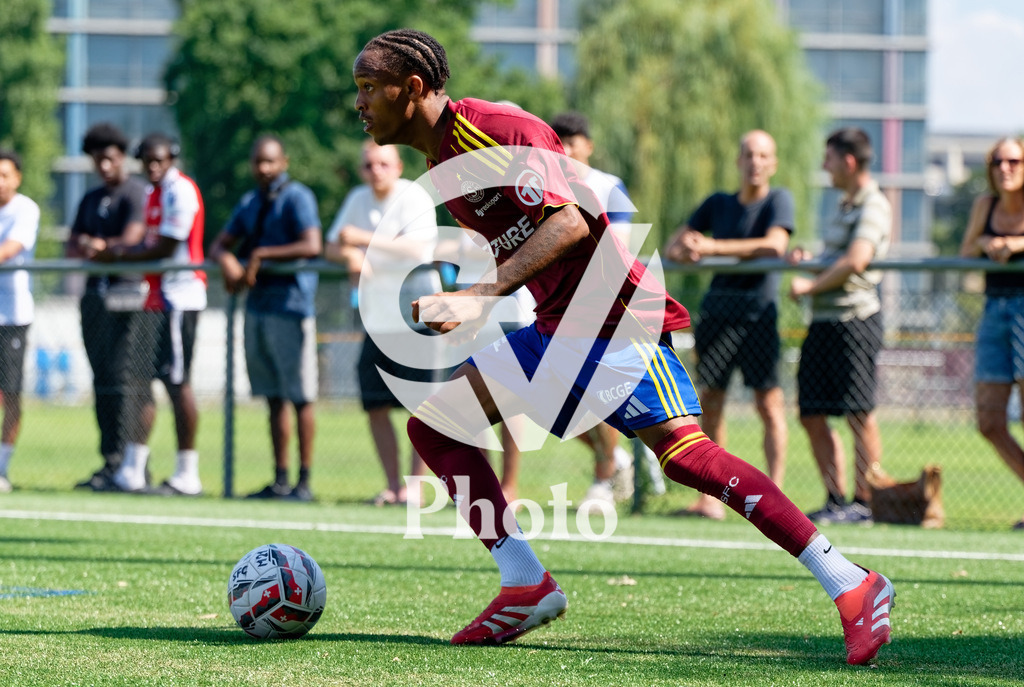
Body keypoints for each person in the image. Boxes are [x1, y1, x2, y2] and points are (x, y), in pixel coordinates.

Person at [352, 29, 894, 665]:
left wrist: (478, 295)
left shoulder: (491, 129)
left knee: (689, 459)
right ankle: (525, 582)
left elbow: (571, 220)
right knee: (438, 427)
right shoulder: (442, 158)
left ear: (411, 88)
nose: (358, 104)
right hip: (557, 329)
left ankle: (853, 584)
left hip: (613, 319)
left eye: (367, 89)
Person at [663, 130, 792, 520]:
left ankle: (776, 497)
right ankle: (713, 500)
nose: (755, 161)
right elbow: (675, 245)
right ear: (738, 161)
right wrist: (686, 249)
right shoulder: (717, 203)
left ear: (773, 163)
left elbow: (776, 245)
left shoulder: (778, 200)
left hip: (758, 315)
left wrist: (713, 249)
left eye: (763, 155)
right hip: (717, 314)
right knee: (711, 403)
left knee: (768, 404)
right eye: (749, 154)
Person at [324, 140, 437, 506]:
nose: (376, 171)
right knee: (374, 403)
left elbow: (417, 250)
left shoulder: (414, 197)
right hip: (377, 320)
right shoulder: (357, 198)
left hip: (417, 316)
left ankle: (415, 487)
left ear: (399, 167)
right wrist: (350, 258)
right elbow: (330, 245)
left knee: (421, 406)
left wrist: (360, 242)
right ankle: (393, 485)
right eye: (369, 165)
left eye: (383, 164)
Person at [789, 127, 892, 526]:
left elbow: (857, 260)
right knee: (811, 412)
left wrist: (809, 285)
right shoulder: (847, 205)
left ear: (849, 162)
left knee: (859, 413)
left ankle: (866, 503)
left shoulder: (874, 204)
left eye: (828, 159)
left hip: (856, 320)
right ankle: (836, 500)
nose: (823, 167)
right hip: (825, 321)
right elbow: (837, 256)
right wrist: (810, 257)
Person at [210, 135, 322, 502]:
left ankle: (303, 483)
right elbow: (219, 244)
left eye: (270, 162)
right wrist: (229, 260)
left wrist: (260, 255)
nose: (263, 168)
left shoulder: (297, 197)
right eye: (258, 161)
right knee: (273, 397)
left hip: (290, 307)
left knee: (300, 396)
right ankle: (280, 479)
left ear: (284, 162)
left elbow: (312, 244)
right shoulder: (249, 201)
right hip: (258, 308)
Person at [94, 133, 206, 496]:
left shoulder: (181, 190)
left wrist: (117, 255)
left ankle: (187, 473)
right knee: (140, 380)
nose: (154, 167)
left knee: (177, 382)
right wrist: (118, 249)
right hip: (154, 296)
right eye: (148, 161)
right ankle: (133, 469)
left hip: (178, 296)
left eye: (160, 160)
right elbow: (145, 241)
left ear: (172, 158)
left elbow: (167, 245)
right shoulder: (151, 192)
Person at [548, 111, 644, 507]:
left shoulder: (608, 187)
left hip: (602, 307)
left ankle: (603, 481)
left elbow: (620, 247)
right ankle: (618, 456)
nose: (567, 149)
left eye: (574, 141)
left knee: (597, 395)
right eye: (559, 141)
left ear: (589, 145)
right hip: (555, 306)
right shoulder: (545, 187)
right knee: (547, 402)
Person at [66, 122, 151, 492]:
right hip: (94, 299)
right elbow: (73, 245)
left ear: (122, 158)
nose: (103, 166)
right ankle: (109, 461)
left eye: (109, 159)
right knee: (102, 381)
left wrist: (100, 246)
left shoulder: (135, 193)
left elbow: (130, 241)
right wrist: (98, 247)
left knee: (125, 380)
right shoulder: (90, 198)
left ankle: (131, 463)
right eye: (97, 160)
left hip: (127, 298)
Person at [958, 136, 1024, 530]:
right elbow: (966, 251)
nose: (1006, 167)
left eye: (1014, 160)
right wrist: (988, 241)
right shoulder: (986, 205)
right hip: (993, 311)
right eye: (998, 161)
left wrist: (1014, 245)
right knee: (989, 421)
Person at [0, 150, 40, 493]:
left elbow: (10, 249)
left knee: (10, 393)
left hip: (12, 316)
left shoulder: (25, 209)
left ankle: (2, 467)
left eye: (4, 175)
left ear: (17, 178)